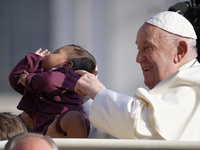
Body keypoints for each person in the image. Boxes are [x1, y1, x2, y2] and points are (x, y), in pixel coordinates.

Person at [74, 11, 200, 141]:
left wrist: (97, 92)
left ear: (179, 51)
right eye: (138, 48)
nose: (138, 59)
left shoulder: (194, 84)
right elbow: (120, 134)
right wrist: (85, 100)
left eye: (148, 47)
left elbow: (141, 125)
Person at [9, 44, 96, 138]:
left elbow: (49, 81)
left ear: (67, 64)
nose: (49, 54)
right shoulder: (38, 79)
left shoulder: (69, 76)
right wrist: (32, 59)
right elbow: (15, 80)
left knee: (74, 117)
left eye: (56, 52)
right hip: (43, 128)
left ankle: (79, 145)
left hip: (63, 120)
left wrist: (27, 79)